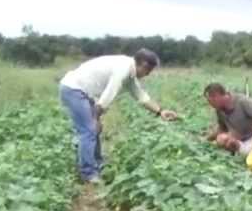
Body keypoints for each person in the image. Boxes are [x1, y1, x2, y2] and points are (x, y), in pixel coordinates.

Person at [58, 49, 178, 183]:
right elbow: (109, 94)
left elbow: (141, 96)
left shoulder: (130, 72)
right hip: (74, 89)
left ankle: (97, 164)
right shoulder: (123, 69)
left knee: (93, 130)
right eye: (148, 70)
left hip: (84, 91)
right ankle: (88, 174)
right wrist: (96, 118)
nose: (148, 74)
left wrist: (160, 111)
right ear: (143, 65)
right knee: (89, 130)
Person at [203, 82, 252, 156]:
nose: (210, 104)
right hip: (240, 142)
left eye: (210, 101)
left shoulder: (242, 101)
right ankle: (241, 155)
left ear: (216, 97)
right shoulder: (219, 109)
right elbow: (221, 128)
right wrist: (207, 139)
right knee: (221, 139)